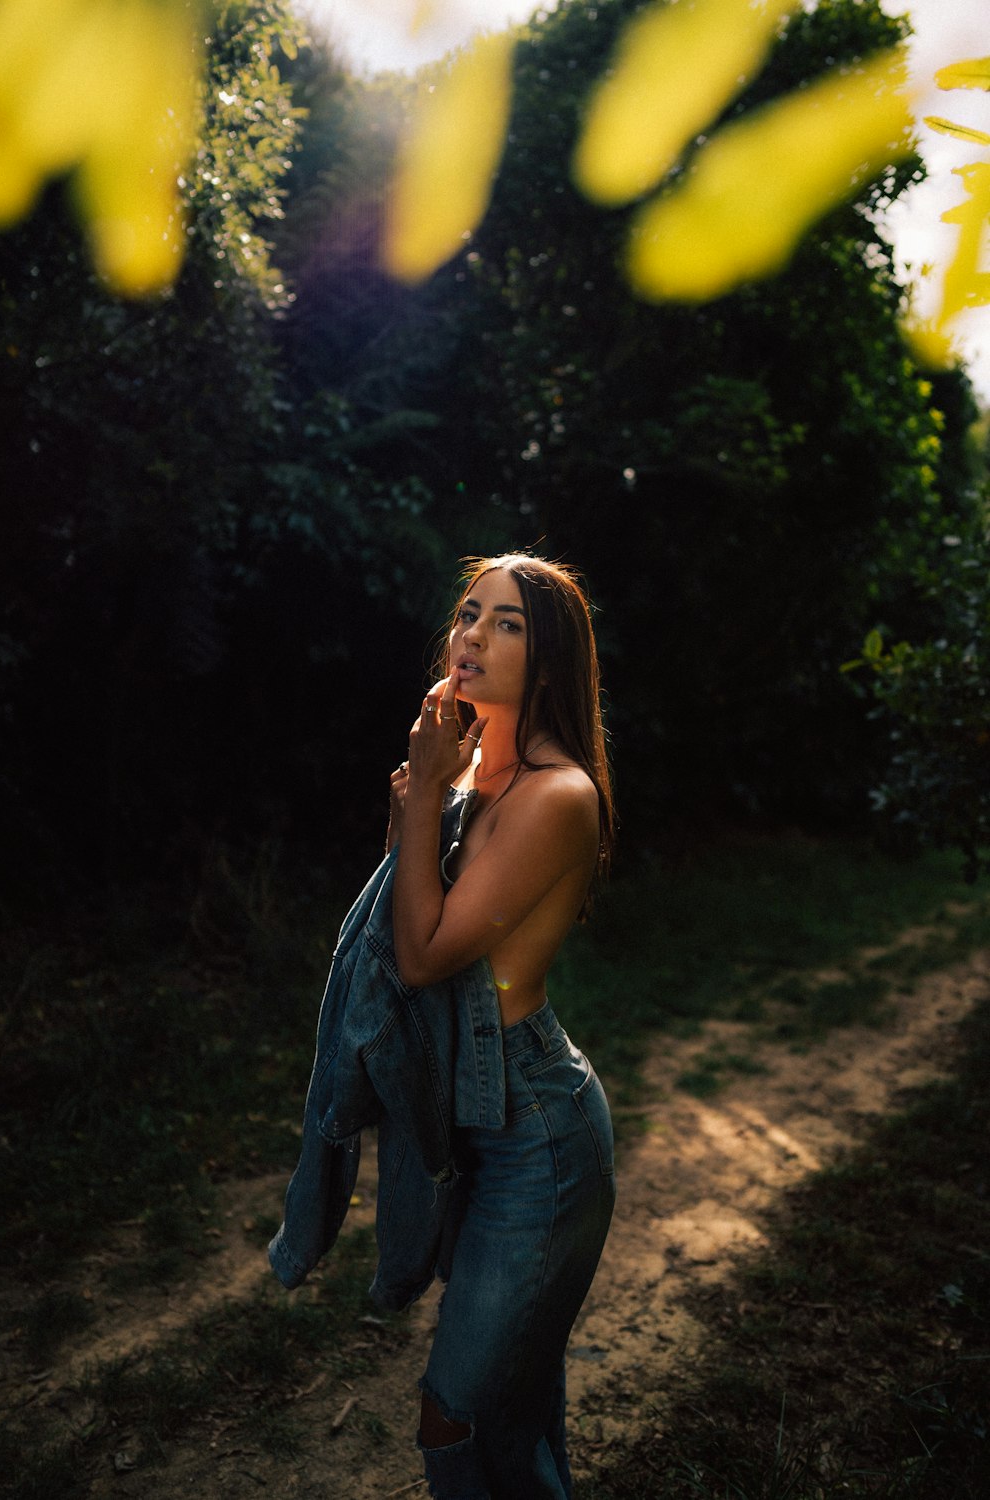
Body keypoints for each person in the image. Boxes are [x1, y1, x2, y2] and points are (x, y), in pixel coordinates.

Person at [388, 552, 616, 1498]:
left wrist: (411, 811)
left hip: (537, 1131)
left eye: (508, 622)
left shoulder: (558, 796)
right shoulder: (471, 777)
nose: (473, 634)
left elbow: (423, 954)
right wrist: (429, 792)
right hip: (470, 1108)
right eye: (469, 614)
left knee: (460, 1408)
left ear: (552, 662)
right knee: (514, 1403)